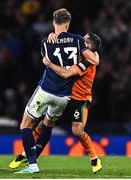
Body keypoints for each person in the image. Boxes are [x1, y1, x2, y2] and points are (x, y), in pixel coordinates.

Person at [12, 8, 99, 174]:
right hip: (64, 96)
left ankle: (32, 163)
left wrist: (51, 56)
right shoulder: (78, 41)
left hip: (47, 90)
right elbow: (94, 58)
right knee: (47, 125)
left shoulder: (46, 42)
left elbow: (47, 58)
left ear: (54, 22)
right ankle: (31, 159)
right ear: (68, 24)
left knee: (25, 125)